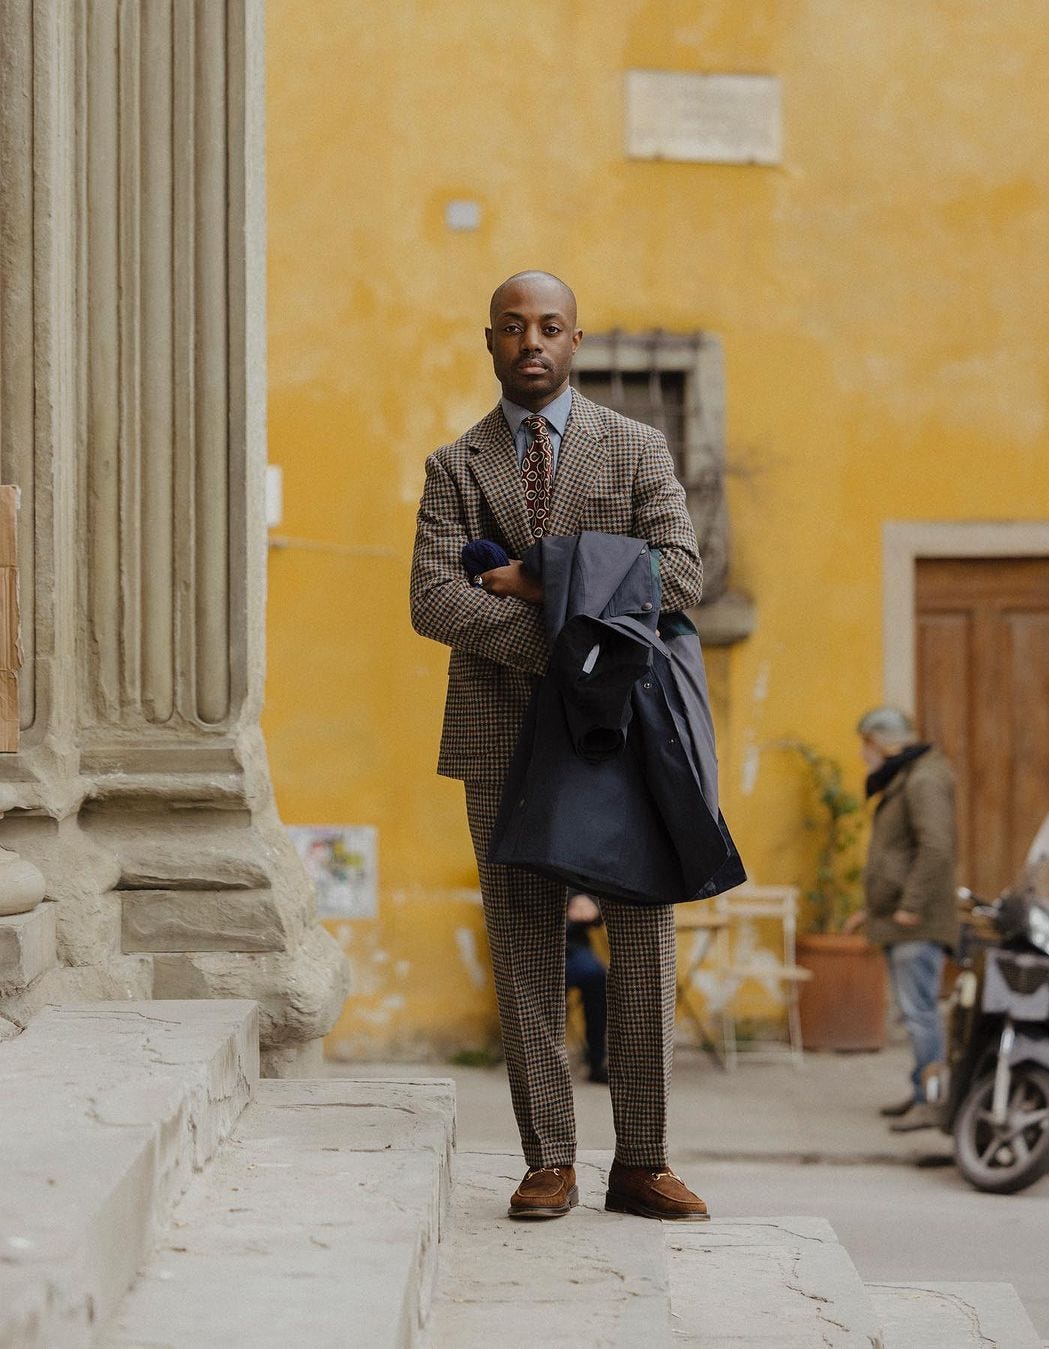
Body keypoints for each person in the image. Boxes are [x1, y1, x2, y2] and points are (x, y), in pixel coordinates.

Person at [410, 270, 710, 1221]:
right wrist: (583, 625)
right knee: (525, 945)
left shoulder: (635, 448)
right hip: (500, 737)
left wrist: (543, 583)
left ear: (576, 341)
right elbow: (433, 599)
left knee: (644, 941)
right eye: (512, 327)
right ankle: (550, 1158)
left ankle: (643, 1159)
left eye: (550, 327)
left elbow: (684, 574)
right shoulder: (454, 467)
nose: (531, 341)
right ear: (489, 342)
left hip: (618, 733)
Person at [845, 707, 959, 1131]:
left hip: (919, 921)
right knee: (915, 1011)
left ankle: (932, 1102)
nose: (862, 754)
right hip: (902, 917)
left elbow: (936, 847)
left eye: (866, 744)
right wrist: (871, 912)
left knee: (920, 1012)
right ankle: (920, 1091)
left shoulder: (924, 779)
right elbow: (901, 855)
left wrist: (910, 905)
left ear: (886, 742)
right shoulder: (909, 776)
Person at [565, 893, 608, 1084]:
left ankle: (596, 1060)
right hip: (536, 943)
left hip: (575, 946)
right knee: (546, 986)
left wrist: (590, 903)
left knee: (597, 977)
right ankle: (540, 1059)